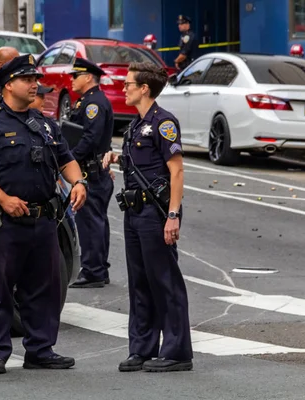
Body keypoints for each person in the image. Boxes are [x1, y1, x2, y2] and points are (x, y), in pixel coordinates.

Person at [0, 54, 87, 375]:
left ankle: (40, 349)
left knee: (44, 288)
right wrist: (3, 199)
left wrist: (79, 181)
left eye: (35, 80)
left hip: (44, 219)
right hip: (5, 222)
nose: (35, 86)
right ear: (8, 84)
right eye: (28, 80)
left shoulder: (45, 124)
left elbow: (66, 159)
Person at [102, 62, 192, 373]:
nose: (123, 87)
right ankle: (142, 348)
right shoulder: (136, 125)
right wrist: (117, 155)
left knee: (165, 282)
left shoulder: (164, 122)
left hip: (156, 214)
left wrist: (173, 216)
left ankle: (178, 352)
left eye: (128, 83)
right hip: (134, 213)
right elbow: (142, 160)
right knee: (140, 282)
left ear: (144, 88)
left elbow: (176, 171)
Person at [67, 58, 114, 289]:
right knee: (97, 222)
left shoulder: (93, 103)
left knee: (90, 223)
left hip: (90, 172)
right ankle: (98, 268)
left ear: (87, 77)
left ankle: (94, 271)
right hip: (95, 170)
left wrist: (69, 159)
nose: (71, 80)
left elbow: (90, 137)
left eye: (75, 76)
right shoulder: (88, 101)